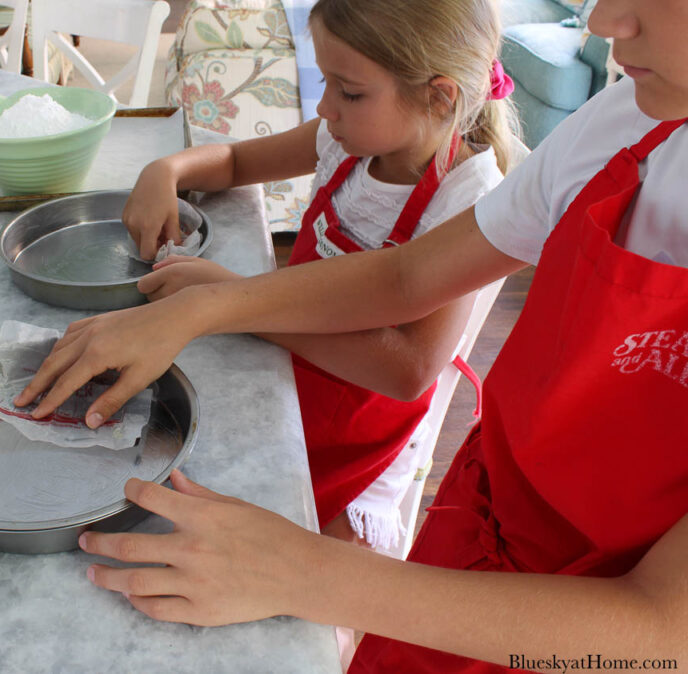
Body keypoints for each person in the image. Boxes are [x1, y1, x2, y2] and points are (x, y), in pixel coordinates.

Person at [15, 0, 688, 670]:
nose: (600, 24)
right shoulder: (624, 122)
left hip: (560, 603)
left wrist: (301, 570)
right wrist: (202, 303)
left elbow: (661, 631)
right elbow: (405, 279)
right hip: (490, 518)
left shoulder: (476, 177)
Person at [122, 0, 518, 549]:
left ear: (439, 95)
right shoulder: (347, 138)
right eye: (325, 82)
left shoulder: (467, 200)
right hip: (285, 366)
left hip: (360, 434)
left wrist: (236, 298)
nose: (325, 107)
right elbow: (236, 162)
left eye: (349, 91)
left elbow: (408, 371)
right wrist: (165, 171)